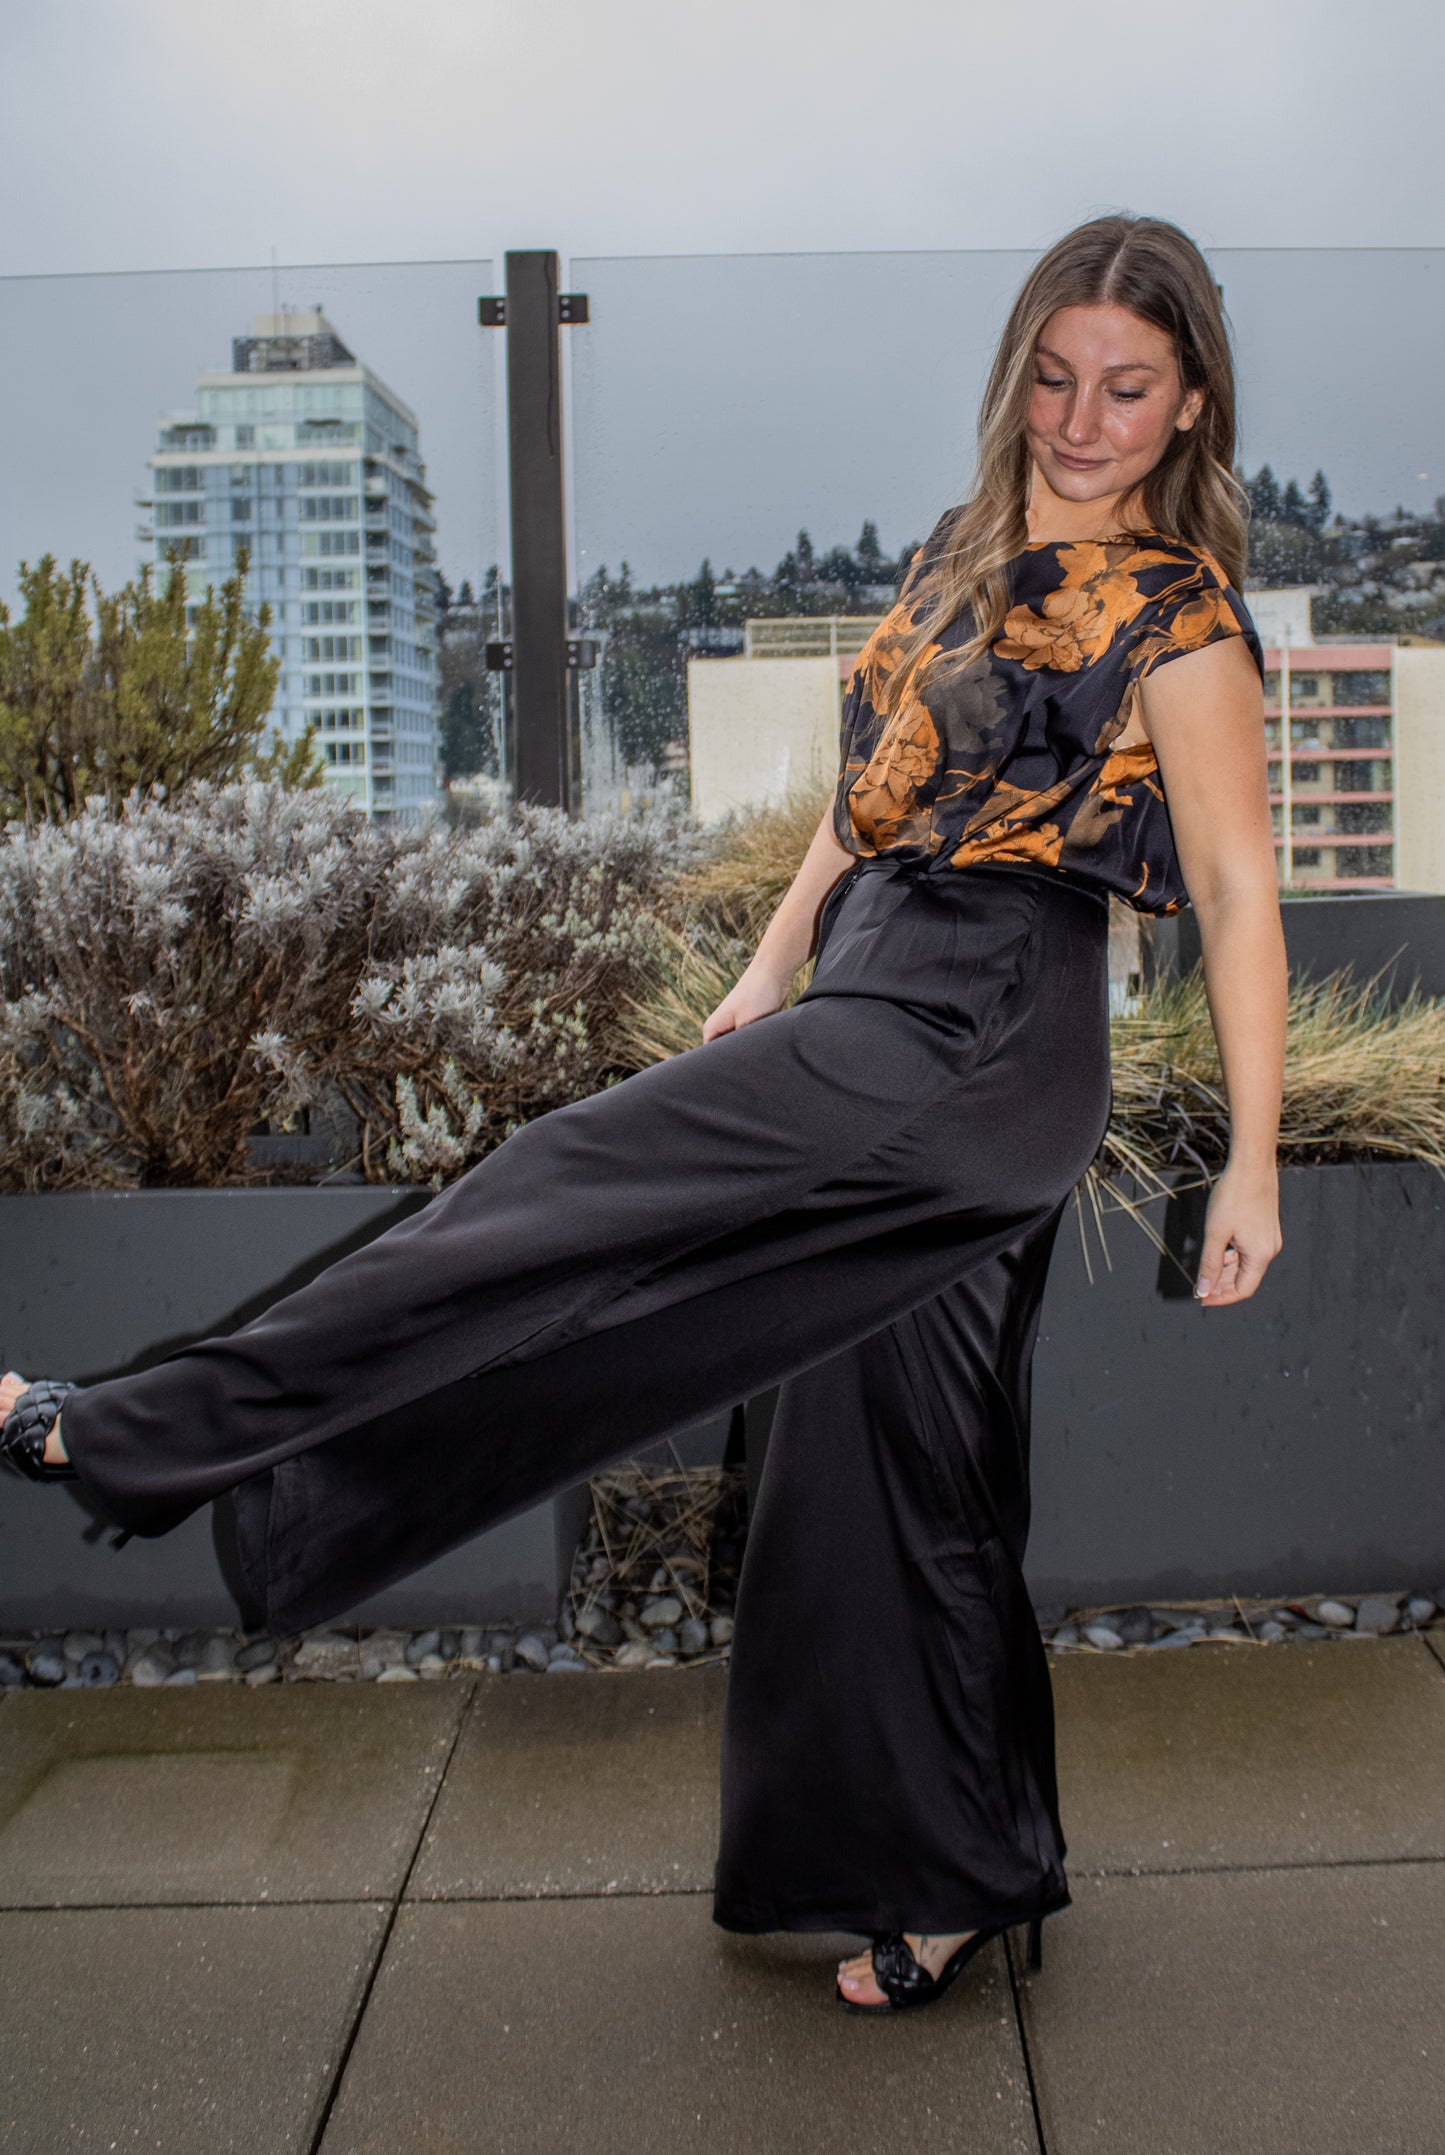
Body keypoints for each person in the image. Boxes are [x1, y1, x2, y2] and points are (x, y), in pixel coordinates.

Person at [2, 212, 1285, 2015]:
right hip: (876, 989)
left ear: (1188, 402)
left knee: (554, 1188)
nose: (1082, 417)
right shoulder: (956, 556)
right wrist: (769, 972)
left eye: (1126, 387)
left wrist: (1247, 1163)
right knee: (886, 1456)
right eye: (1055, 377)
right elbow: (862, 810)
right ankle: (952, 1869)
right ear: (1020, 377)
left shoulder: (1178, 614)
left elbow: (1236, 892)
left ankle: (124, 1430)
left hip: (985, 1027)